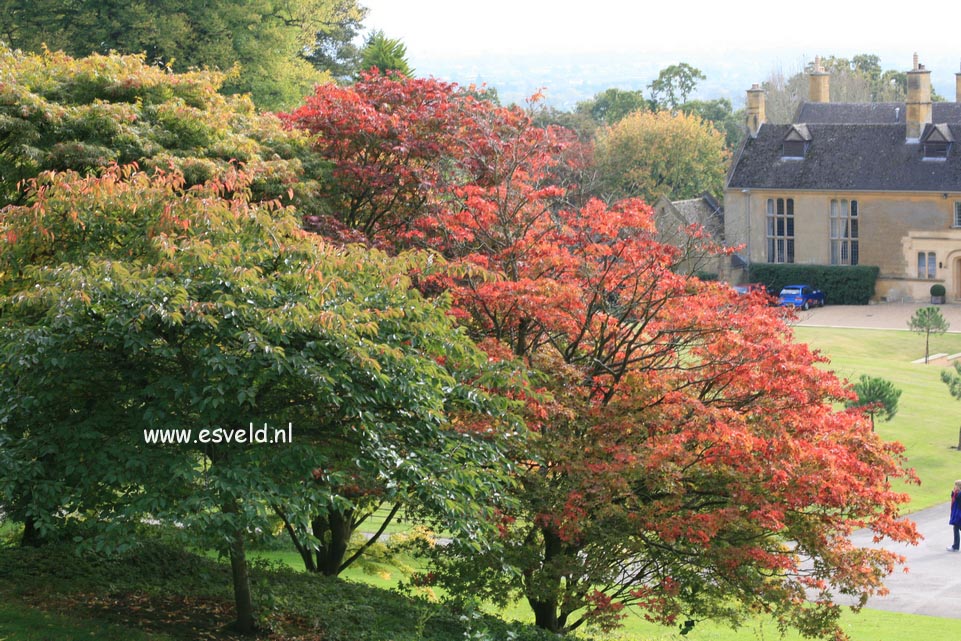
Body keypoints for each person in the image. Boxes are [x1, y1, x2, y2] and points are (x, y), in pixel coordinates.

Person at [949, 480, 961, 552]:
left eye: (956, 485)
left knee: (956, 529)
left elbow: (958, 501)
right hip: (956, 513)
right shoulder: (957, 493)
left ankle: (955, 547)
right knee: (957, 528)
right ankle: (955, 546)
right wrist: (953, 493)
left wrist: (955, 494)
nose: (954, 487)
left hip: (959, 514)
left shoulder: (959, 494)